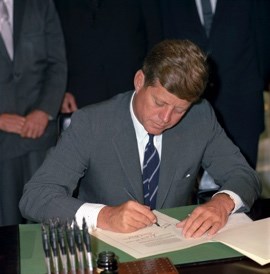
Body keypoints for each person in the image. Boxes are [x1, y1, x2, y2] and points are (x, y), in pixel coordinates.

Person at [19, 40, 261, 238]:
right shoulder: (92, 123)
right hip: (106, 252)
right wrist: (105, 216)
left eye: (179, 109)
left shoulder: (200, 116)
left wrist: (222, 203)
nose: (166, 118)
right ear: (139, 81)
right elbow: (36, 196)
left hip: (177, 246)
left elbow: (243, 175)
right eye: (159, 103)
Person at [159, 0, 270, 169]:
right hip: (185, 110)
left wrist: (255, 81)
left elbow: (263, 40)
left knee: (240, 185)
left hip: (240, 106)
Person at [0, 0, 67, 226]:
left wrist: (44, 110)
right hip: (2, 145)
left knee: (45, 225)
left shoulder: (40, 4)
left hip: (39, 138)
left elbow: (57, 64)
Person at [53, 0, 163, 112]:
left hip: (131, 93)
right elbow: (52, 49)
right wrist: (60, 93)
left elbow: (156, 42)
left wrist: (150, 86)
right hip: (78, 97)